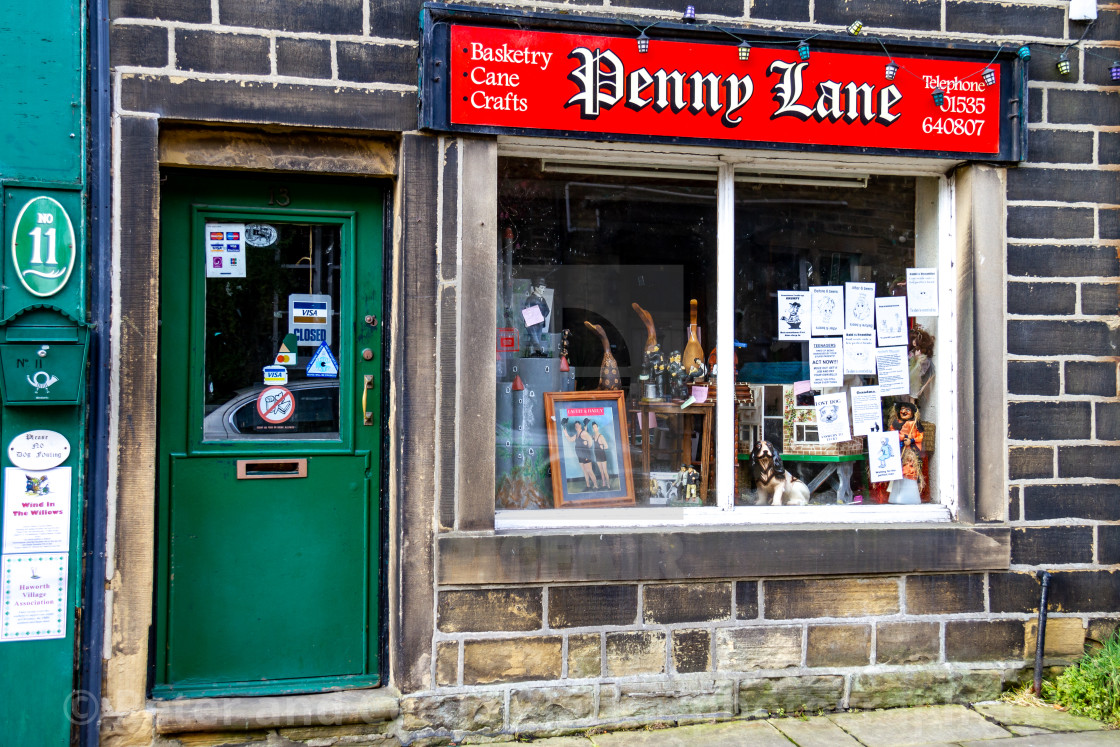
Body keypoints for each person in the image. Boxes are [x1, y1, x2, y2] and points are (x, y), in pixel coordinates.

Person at [562, 417, 598, 490]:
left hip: (586, 456)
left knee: (590, 471)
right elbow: (570, 439)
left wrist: (587, 448)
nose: (576, 426)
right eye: (575, 426)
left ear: (580, 426)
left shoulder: (584, 433)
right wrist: (565, 432)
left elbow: (590, 441)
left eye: (578, 425)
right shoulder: (576, 435)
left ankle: (596, 486)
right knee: (585, 471)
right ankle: (588, 486)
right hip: (580, 456)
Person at [522, 278, 550, 356]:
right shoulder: (530, 299)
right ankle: (539, 351)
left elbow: (547, 310)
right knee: (535, 339)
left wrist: (542, 315)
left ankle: (532, 353)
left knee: (537, 337)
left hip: (540, 322)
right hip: (532, 323)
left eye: (544, 288)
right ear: (536, 287)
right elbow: (526, 309)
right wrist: (527, 320)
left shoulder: (543, 299)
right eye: (541, 287)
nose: (543, 290)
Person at [590, 420, 611, 489]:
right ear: (592, 429)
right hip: (597, 455)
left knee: (605, 471)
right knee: (601, 471)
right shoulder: (593, 436)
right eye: (593, 427)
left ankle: (608, 484)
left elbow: (607, 446)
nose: (595, 428)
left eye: (595, 427)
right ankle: (603, 483)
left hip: (602, 455)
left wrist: (603, 447)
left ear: (597, 428)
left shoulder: (601, 436)